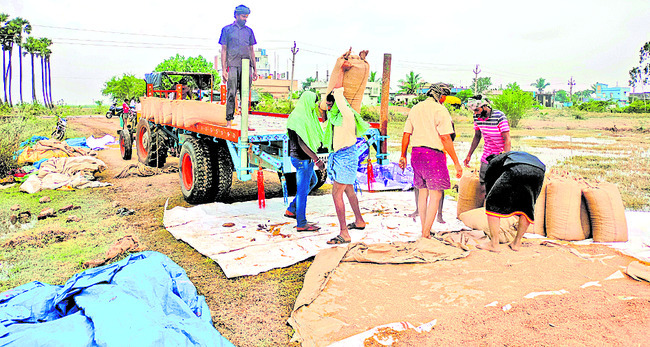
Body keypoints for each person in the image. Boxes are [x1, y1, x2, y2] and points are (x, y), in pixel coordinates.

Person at [399, 83, 462, 239]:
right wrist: (456, 162)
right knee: (436, 195)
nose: (444, 100)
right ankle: (426, 233)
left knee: (423, 192)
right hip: (433, 156)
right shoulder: (440, 110)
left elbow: (406, 134)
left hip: (416, 154)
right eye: (444, 97)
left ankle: (424, 229)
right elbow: (446, 137)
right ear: (440, 96)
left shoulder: (415, 108)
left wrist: (403, 156)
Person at [323, 87, 370, 244]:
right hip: (343, 156)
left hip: (346, 157)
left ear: (338, 104)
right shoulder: (337, 119)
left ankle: (344, 233)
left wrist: (338, 90)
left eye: (331, 105)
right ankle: (359, 221)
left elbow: (339, 96)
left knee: (337, 194)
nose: (329, 109)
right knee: (349, 190)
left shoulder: (347, 115)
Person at [477, 151, 546, 252]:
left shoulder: (495, 160)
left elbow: (490, 180)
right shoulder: (515, 154)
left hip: (517, 169)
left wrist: (490, 196)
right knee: (527, 206)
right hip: (539, 171)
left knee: (492, 201)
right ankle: (516, 243)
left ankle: (494, 244)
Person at [283, 91, 325, 231]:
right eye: (314, 102)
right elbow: (302, 143)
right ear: (308, 101)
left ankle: (292, 209)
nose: (315, 105)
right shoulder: (300, 118)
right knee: (302, 192)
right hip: (303, 159)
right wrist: (316, 159)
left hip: (300, 158)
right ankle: (301, 223)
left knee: (313, 181)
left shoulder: (299, 115)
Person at [463, 95, 511, 202]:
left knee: (498, 185)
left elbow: (507, 139)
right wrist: (469, 154)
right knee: (483, 185)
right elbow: (477, 136)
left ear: (484, 106)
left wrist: (505, 157)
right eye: (473, 111)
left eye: (477, 110)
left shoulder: (499, 116)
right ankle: (483, 210)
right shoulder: (477, 117)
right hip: (487, 155)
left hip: (500, 155)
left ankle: (496, 211)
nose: (475, 113)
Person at [219, 4, 258, 127]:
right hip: (233, 65)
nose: (245, 19)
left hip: (247, 67)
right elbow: (224, 50)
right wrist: (224, 70)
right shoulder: (226, 30)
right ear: (236, 16)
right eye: (243, 16)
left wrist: (255, 69)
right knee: (231, 93)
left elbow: (251, 50)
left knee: (245, 95)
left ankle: (245, 124)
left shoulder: (249, 31)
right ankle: (229, 122)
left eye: (247, 17)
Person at [408, 123, 456, 223]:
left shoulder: (441, 114)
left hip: (436, 153)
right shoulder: (421, 114)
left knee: (438, 187)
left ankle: (439, 214)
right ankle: (419, 211)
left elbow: (450, 136)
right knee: (420, 185)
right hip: (422, 153)